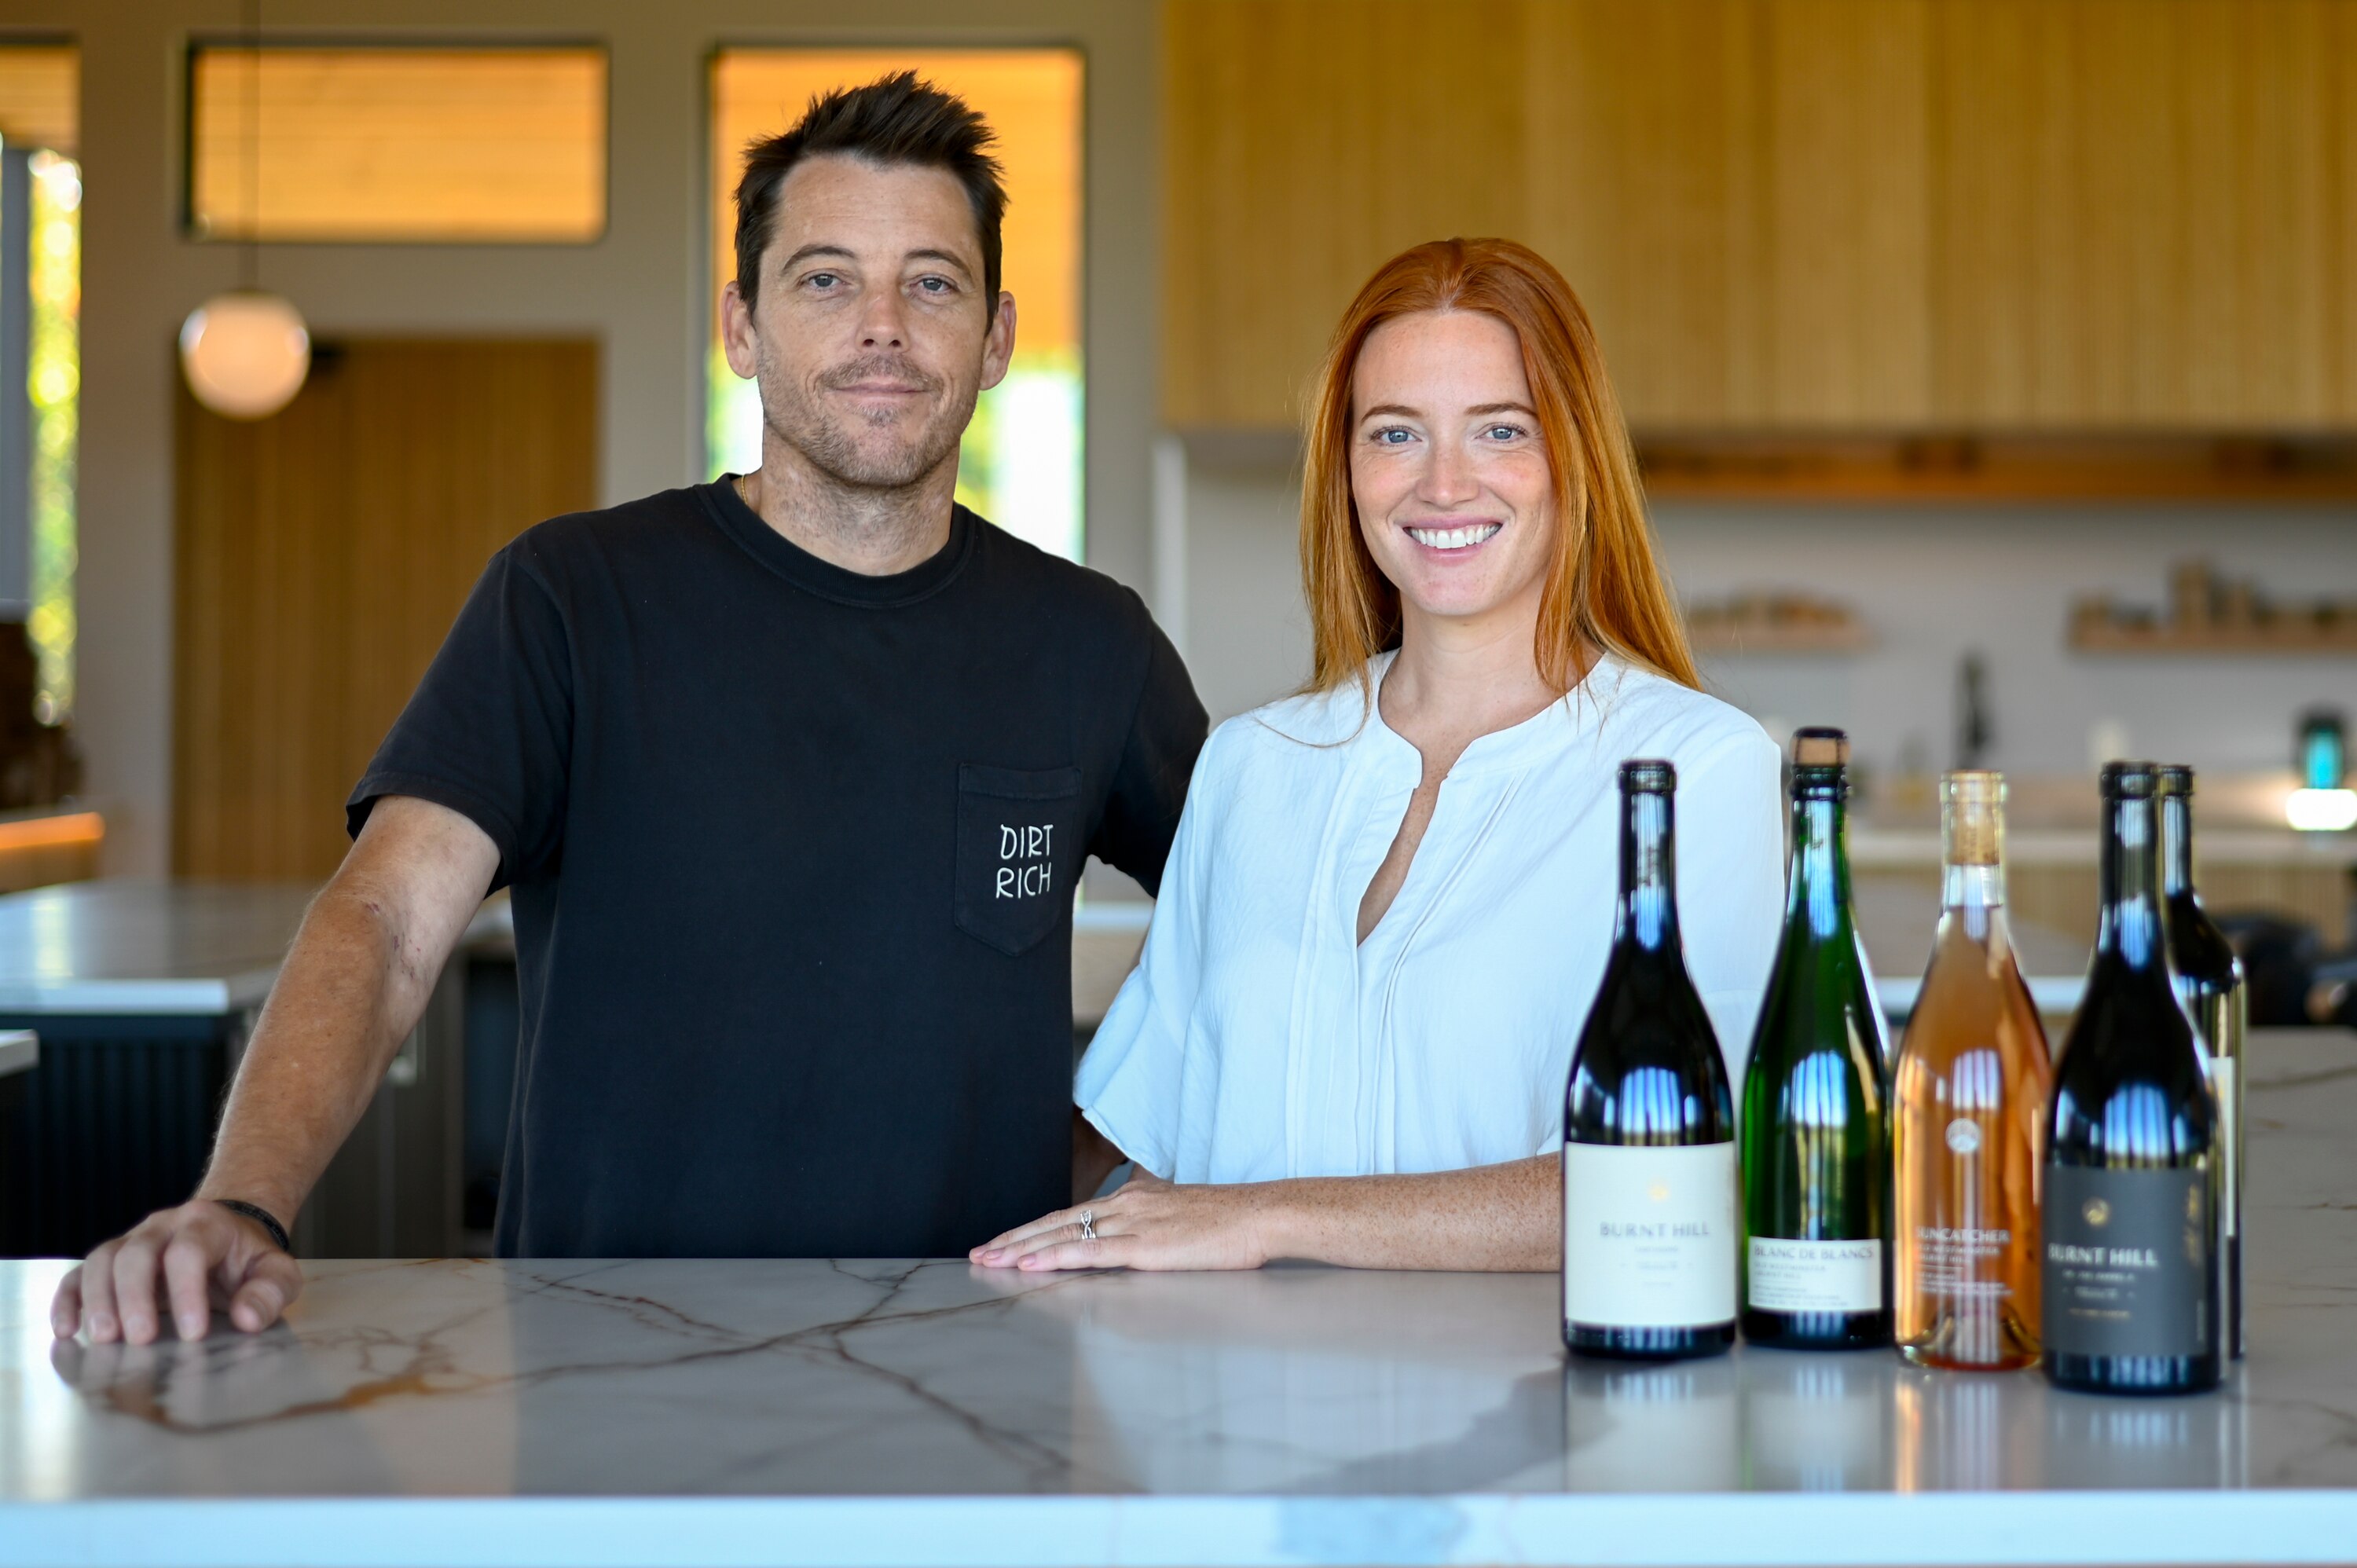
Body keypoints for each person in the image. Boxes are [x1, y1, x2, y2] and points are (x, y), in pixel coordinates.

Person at [54, 73, 1205, 1346]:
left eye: (932, 283)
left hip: (983, 1359)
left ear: (995, 337)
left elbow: (1275, 941)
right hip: (608, 1360)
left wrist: (1125, 1162)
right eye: (825, 278)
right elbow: (386, 917)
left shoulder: (1090, 643)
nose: (882, 326)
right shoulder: (571, 598)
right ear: (742, 326)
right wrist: (242, 1202)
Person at [974, 238, 1780, 1274]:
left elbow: (1692, 1178)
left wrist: (1271, 1218)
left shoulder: (1693, 771)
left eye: (1501, 429)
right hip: (1222, 1378)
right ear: (1348, 469)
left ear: (1574, 457)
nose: (1444, 483)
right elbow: (1140, 1136)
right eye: (1396, 433)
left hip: (1532, 1380)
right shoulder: (1250, 767)